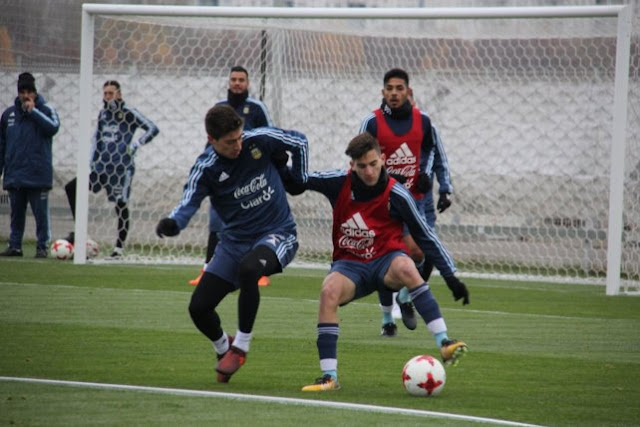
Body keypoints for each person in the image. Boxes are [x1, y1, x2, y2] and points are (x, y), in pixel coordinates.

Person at [282, 133, 467, 392]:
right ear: (352, 166)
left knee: (406, 266)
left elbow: (425, 236)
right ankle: (329, 377)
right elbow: (299, 181)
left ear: (382, 159)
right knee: (328, 291)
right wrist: (280, 164)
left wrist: (451, 277)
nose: (368, 171)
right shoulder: (339, 182)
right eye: (361, 166)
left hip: (386, 261)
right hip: (350, 266)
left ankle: (445, 343)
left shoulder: (398, 194)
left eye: (373, 163)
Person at [156, 105, 308, 383]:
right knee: (198, 308)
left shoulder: (257, 139)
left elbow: (299, 141)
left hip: (277, 233)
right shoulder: (206, 168)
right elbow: (188, 202)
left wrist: (297, 178)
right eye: (230, 142)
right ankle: (224, 348)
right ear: (212, 141)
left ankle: (242, 345)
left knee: (250, 269)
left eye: (239, 138)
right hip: (234, 243)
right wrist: (174, 223)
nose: (238, 145)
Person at [359, 68, 453, 337]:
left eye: (400, 88)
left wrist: (442, 186)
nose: (394, 93)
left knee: (423, 254)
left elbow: (436, 151)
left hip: (419, 200)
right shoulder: (372, 123)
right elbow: (358, 160)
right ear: (383, 92)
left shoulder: (422, 121)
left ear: (408, 91)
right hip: (385, 202)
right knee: (387, 258)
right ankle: (388, 318)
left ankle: (403, 296)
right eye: (390, 88)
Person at [189, 65, 274, 286]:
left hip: (250, 176)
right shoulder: (219, 108)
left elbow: (270, 137)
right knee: (217, 220)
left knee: (255, 220)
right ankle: (207, 269)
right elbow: (211, 140)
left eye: (241, 80)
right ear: (229, 82)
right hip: (225, 175)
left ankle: (260, 270)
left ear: (248, 83)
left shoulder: (257, 108)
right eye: (234, 79)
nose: (237, 83)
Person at [64, 80, 159, 257]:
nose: (107, 97)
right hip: (101, 168)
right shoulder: (103, 114)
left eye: (111, 93)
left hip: (122, 169)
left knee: (120, 204)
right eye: (105, 93)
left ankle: (118, 248)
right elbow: (97, 140)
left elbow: (153, 128)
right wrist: (92, 162)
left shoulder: (129, 113)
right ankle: (80, 232)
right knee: (72, 187)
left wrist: (136, 144)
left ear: (119, 94)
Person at [0, 72, 60, 258]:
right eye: (22, 92)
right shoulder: (9, 114)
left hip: (37, 173)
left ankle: (42, 246)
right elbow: (2, 144)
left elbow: (53, 128)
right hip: (15, 173)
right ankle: (15, 245)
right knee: (16, 213)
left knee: (40, 214)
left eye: (29, 92)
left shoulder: (46, 109)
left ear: (35, 93)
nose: (26, 96)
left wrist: (33, 112)